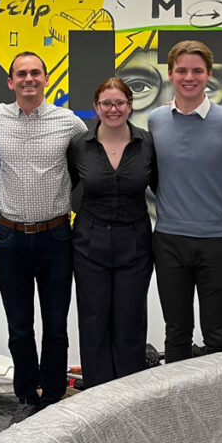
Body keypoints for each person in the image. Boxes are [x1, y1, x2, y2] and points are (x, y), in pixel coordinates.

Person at [0, 52, 86, 414]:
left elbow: (92, 158)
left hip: (56, 237)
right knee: (20, 328)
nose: (29, 79)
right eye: (21, 74)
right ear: (11, 82)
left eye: (35, 73)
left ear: (46, 79)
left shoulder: (69, 123)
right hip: (10, 238)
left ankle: (55, 396)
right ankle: (27, 396)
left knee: (56, 327)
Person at [147, 40, 222, 362]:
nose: (189, 77)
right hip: (169, 241)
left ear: (209, 74)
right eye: (182, 70)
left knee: (217, 336)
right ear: (170, 74)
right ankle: (177, 409)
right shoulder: (156, 120)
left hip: (216, 243)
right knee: (176, 332)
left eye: (197, 70)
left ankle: (219, 410)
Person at [67, 77, 156, 388]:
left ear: (130, 106)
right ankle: (97, 396)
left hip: (136, 243)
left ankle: (127, 397)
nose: (113, 109)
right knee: (93, 322)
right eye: (106, 103)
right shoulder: (80, 145)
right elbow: (61, 185)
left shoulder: (147, 143)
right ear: (96, 107)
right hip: (89, 243)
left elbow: (168, 186)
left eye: (120, 103)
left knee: (130, 321)